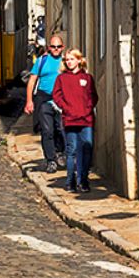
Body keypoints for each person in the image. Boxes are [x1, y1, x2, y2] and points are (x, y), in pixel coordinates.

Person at [52, 49, 97, 192]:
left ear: (79, 60)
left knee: (87, 147)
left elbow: (93, 96)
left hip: (86, 119)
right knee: (71, 150)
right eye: (67, 60)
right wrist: (66, 108)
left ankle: (83, 180)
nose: (69, 62)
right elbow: (57, 96)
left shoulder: (87, 78)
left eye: (72, 59)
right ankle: (70, 181)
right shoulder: (62, 79)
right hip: (70, 119)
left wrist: (87, 108)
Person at [25, 34, 66, 172]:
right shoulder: (42, 60)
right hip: (44, 100)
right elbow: (32, 81)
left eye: (58, 47)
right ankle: (50, 160)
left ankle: (60, 152)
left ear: (62, 47)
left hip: (61, 101)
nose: (56, 49)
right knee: (47, 131)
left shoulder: (66, 61)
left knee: (60, 129)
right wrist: (29, 101)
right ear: (49, 47)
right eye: (53, 47)